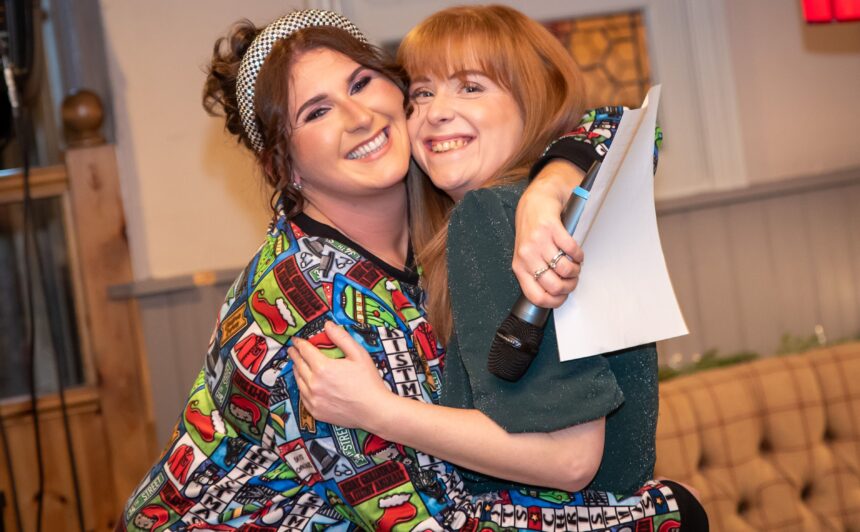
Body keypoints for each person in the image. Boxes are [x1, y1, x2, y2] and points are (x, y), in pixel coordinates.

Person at [119, 8, 698, 531]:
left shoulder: (438, 189)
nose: (359, 116)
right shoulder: (308, 308)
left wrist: (549, 190)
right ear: (283, 166)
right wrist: (656, 517)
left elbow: (623, 131)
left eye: (361, 83)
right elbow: (426, 518)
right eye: (317, 112)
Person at [289, 5, 708, 531]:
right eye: (422, 93)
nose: (436, 113)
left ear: (531, 101)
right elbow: (633, 134)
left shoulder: (492, 217)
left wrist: (377, 411)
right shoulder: (555, 209)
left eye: (470, 87)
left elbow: (570, 459)